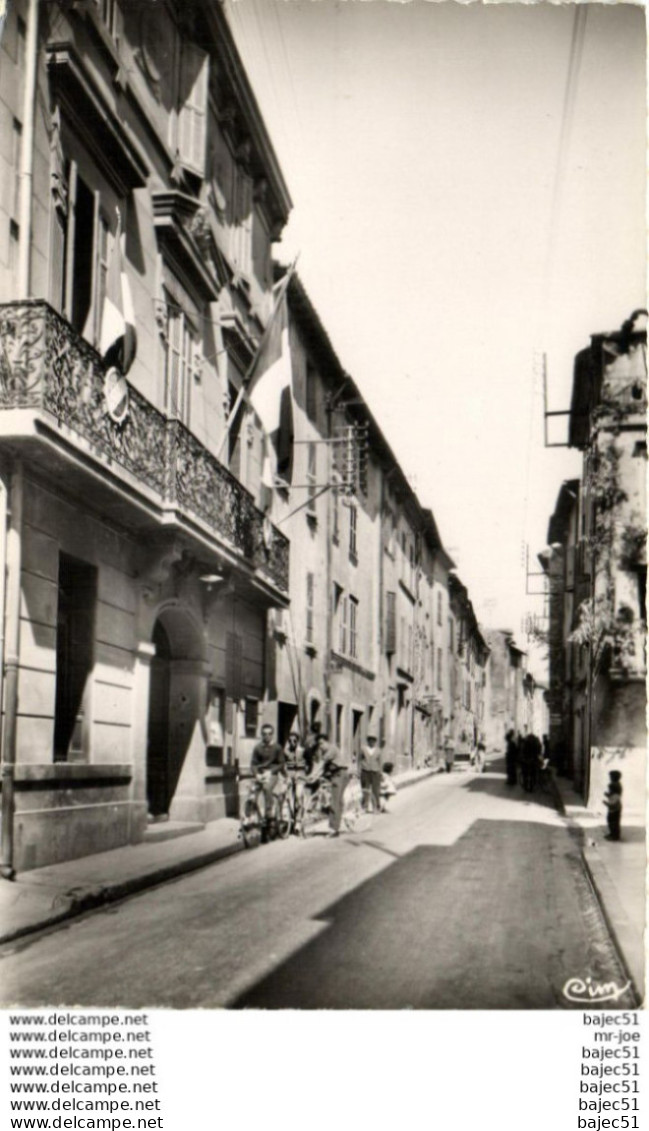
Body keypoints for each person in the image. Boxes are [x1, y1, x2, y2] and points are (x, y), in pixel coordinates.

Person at [250, 724, 286, 835]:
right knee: (252, 791)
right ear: (261, 734)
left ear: (272, 734)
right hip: (260, 774)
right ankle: (252, 816)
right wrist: (256, 774)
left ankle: (269, 815)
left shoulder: (277, 748)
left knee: (266, 788)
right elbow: (253, 764)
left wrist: (270, 772)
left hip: (272, 774)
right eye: (264, 734)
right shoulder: (258, 748)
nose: (267, 736)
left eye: (269, 734)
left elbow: (281, 764)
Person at [318, 733, 352, 837]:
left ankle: (333, 829)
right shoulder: (327, 750)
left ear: (327, 742)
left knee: (334, 801)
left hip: (339, 775)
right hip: (340, 774)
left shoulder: (331, 750)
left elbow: (320, 765)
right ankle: (337, 825)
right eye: (319, 744)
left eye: (322, 743)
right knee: (339, 801)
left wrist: (312, 776)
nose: (320, 746)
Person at [360, 733, 382, 812]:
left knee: (375, 790)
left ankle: (376, 807)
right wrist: (360, 769)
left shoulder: (378, 750)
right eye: (370, 740)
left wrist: (380, 772)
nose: (372, 742)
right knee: (365, 789)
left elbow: (380, 762)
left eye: (373, 740)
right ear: (368, 741)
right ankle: (364, 807)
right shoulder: (363, 749)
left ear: (375, 741)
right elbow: (359, 759)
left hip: (375, 772)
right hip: (365, 771)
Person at [603, 771, 623, 841]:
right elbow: (611, 796)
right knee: (611, 821)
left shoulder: (616, 793)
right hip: (613, 809)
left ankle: (615, 836)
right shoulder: (615, 789)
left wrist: (606, 803)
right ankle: (612, 834)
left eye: (611, 777)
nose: (610, 778)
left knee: (614, 822)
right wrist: (607, 795)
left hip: (615, 809)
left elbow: (612, 803)